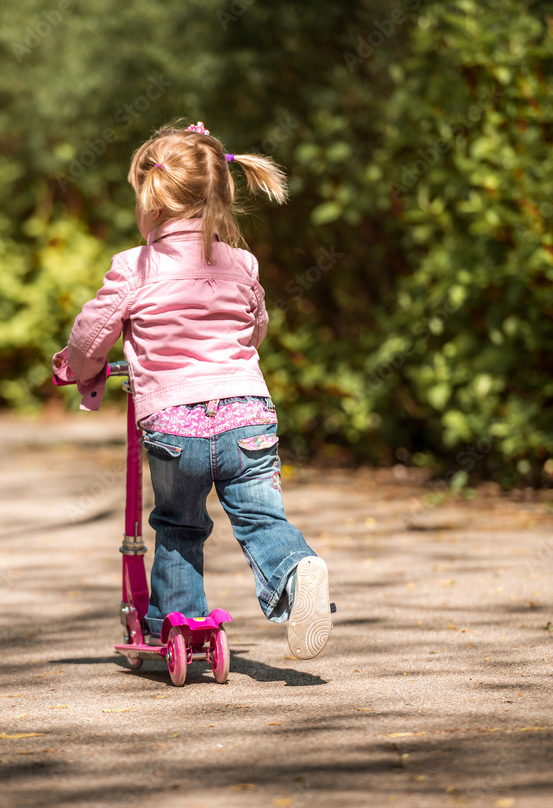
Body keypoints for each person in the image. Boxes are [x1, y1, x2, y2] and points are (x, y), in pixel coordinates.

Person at [52, 121, 331, 659]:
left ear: (151, 204)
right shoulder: (242, 262)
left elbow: (92, 334)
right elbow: (255, 327)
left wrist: (77, 368)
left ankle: (179, 624)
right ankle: (298, 571)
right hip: (247, 415)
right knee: (260, 516)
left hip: (177, 424)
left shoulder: (134, 267)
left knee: (179, 524)